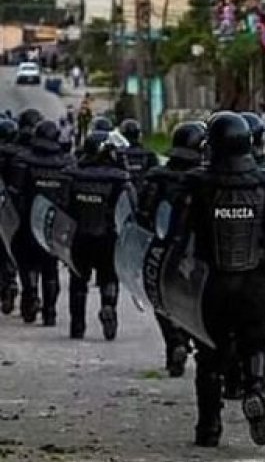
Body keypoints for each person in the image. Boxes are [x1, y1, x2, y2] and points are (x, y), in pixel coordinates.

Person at [170, 111, 265, 448]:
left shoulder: (196, 182)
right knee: (256, 342)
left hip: (210, 283)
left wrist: (172, 282)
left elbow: (175, 236)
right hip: (255, 282)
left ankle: (209, 427)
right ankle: (256, 388)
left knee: (209, 354)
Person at [137, 121, 207, 377]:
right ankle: (192, 343)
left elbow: (142, 214)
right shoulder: (204, 180)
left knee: (162, 301)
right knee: (193, 303)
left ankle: (174, 343)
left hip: (161, 250)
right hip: (195, 254)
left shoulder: (157, 176)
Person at [64, 131, 134, 341]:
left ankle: (77, 325)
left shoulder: (72, 174)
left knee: (78, 280)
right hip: (108, 238)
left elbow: (62, 206)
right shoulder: (119, 179)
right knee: (109, 277)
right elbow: (130, 208)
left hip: (79, 238)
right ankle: (108, 305)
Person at [11, 118, 75, 326]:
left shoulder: (23, 160)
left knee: (27, 263)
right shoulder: (67, 163)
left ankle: (29, 294)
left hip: (26, 222)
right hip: (53, 225)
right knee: (50, 267)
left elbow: (15, 192)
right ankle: (50, 312)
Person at [0, 118, 21, 315]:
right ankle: (9, 283)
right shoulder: (21, 157)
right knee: (7, 249)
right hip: (12, 212)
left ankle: (6, 286)